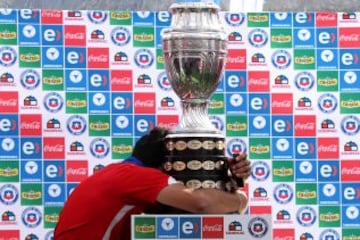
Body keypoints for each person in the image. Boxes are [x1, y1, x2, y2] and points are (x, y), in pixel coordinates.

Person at [54, 127, 250, 240]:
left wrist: (228, 181)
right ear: (165, 166)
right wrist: (239, 199)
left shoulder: (117, 173)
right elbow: (202, 203)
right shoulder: (137, 176)